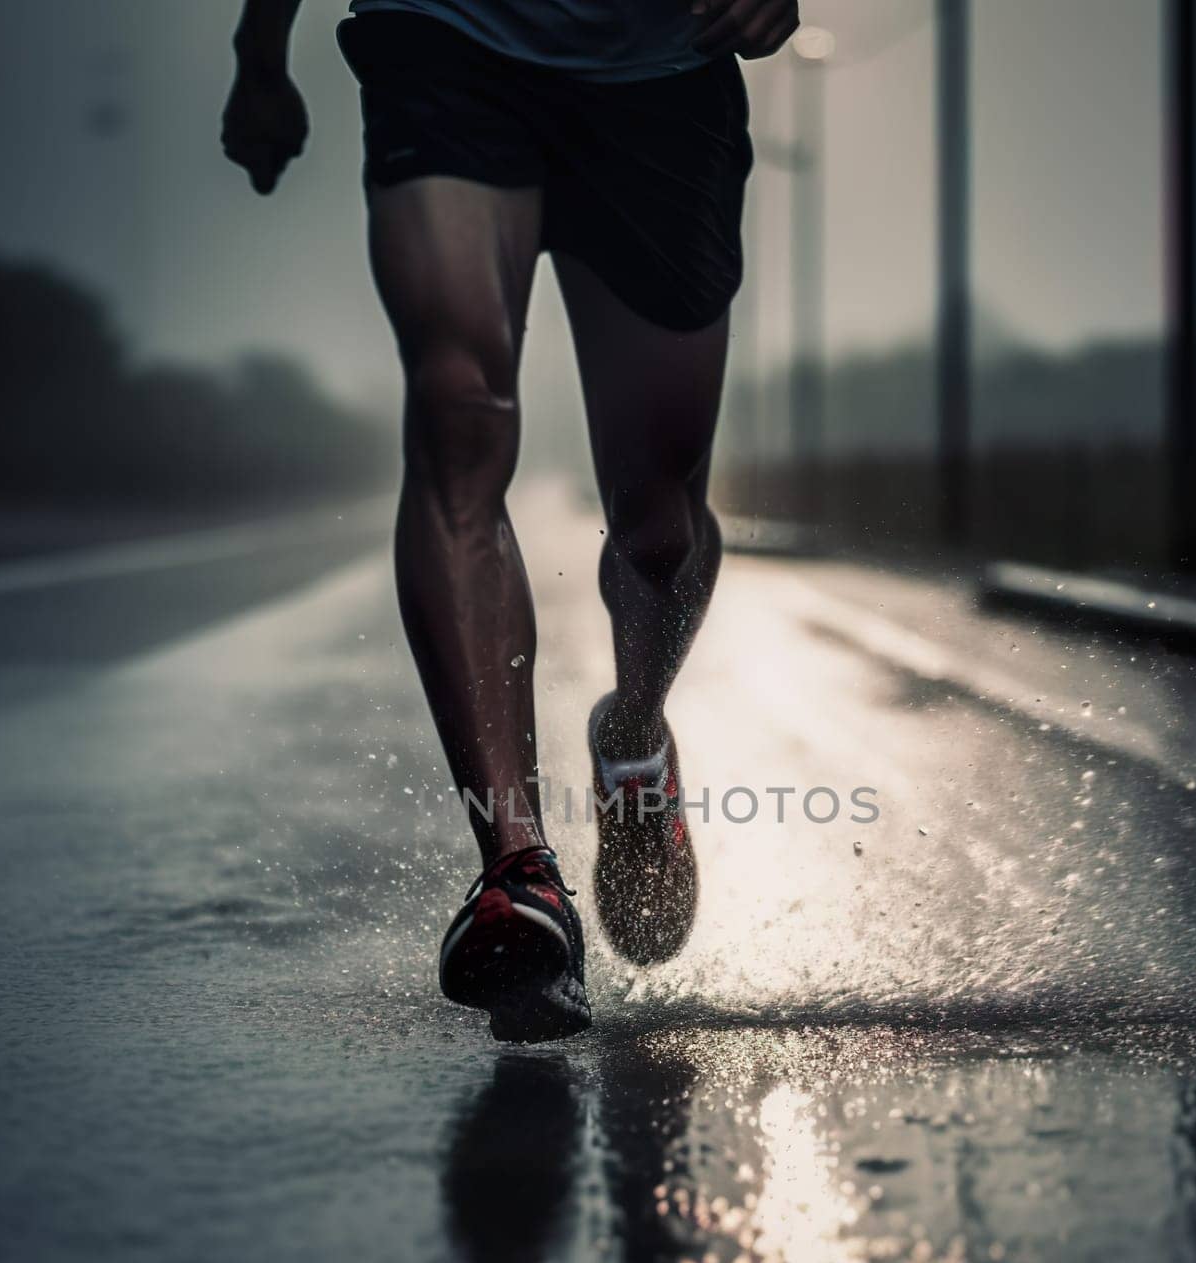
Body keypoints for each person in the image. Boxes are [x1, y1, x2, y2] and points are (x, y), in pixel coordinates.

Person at [223, 0, 798, 1041]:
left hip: (662, 64)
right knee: (456, 416)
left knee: (656, 514)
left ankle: (633, 736)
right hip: (441, 44)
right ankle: (515, 869)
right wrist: (259, 50)